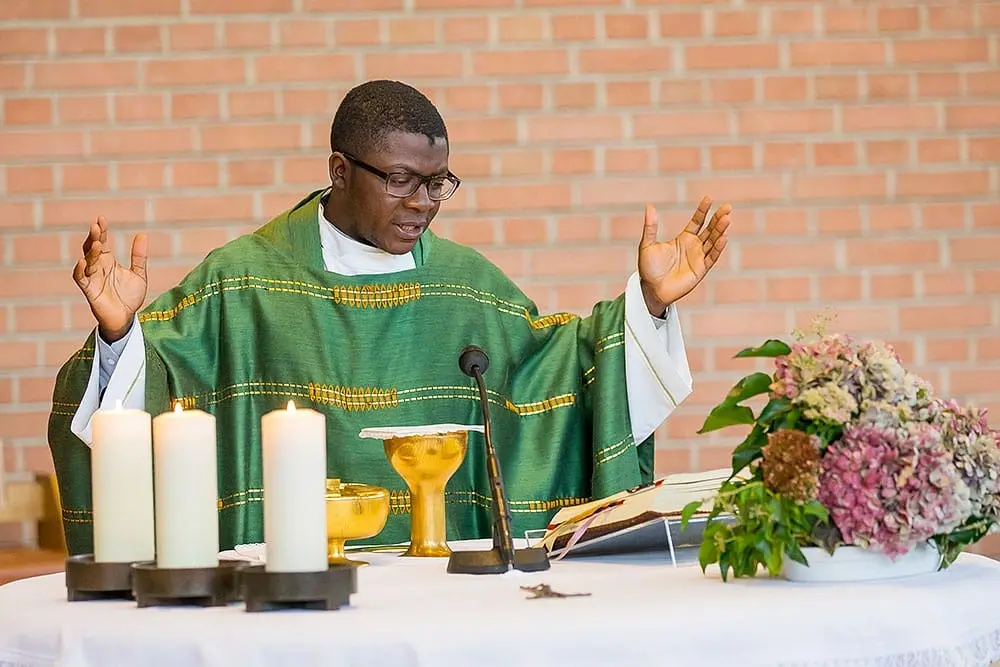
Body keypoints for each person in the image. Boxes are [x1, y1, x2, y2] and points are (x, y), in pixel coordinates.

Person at [48, 80, 731, 555]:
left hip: (442, 593)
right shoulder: (242, 280)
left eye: (437, 182)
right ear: (340, 171)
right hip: (290, 602)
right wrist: (116, 335)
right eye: (400, 179)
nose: (423, 203)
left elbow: (562, 375)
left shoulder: (467, 285)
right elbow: (155, 388)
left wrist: (649, 304)